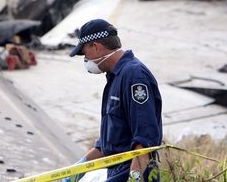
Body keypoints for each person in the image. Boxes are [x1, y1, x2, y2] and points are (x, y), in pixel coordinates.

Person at [67, 19, 162, 182]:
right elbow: (108, 143)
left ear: (96, 47)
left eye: (85, 54)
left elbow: (145, 139)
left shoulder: (134, 77)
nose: (86, 60)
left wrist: (135, 177)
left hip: (130, 173)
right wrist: (77, 170)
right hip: (115, 172)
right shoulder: (115, 77)